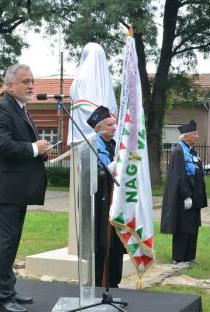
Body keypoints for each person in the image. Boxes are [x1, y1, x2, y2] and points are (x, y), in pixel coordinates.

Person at [0, 64, 50, 312]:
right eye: (25, 81)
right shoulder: (0, 108)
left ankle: (8, 290)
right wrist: (34, 148)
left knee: (11, 244)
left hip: (17, 191)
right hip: (4, 191)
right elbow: (2, 146)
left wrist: (39, 151)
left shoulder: (21, 109)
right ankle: (1, 299)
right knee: (4, 245)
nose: (31, 86)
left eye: (32, 81)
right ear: (9, 85)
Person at [86, 106, 126, 288]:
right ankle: (100, 280)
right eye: (110, 125)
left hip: (116, 201)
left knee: (116, 243)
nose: (114, 127)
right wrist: (104, 171)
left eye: (114, 124)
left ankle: (114, 280)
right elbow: (87, 174)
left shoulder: (115, 146)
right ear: (99, 127)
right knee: (102, 243)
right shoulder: (91, 146)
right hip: (99, 204)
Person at [160, 120, 207, 264]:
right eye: (195, 134)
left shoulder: (192, 151)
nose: (197, 136)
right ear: (186, 137)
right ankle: (178, 257)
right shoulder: (179, 151)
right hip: (183, 196)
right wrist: (186, 195)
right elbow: (178, 175)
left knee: (193, 226)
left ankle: (190, 256)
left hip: (195, 194)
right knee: (183, 226)